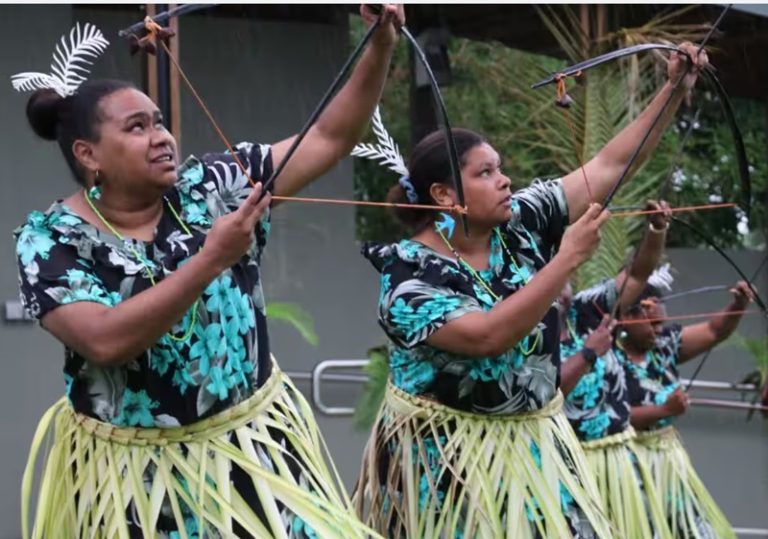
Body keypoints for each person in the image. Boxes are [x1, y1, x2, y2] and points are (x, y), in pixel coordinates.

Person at [14, 6, 403, 538]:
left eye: (159, 123)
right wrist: (211, 259)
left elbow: (331, 137)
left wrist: (379, 42)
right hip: (141, 488)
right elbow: (103, 341)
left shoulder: (211, 186)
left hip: (259, 460)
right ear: (89, 155)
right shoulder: (51, 239)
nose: (162, 137)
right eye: (137, 127)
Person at [353, 43, 708, 538]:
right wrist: (566, 260)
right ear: (444, 195)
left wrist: (672, 90)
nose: (505, 180)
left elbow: (608, 166)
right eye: (486, 173)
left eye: (499, 169)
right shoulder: (408, 280)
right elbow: (485, 337)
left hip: (538, 452)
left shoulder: (519, 220)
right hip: (446, 472)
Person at [558, 202, 674, 539]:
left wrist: (655, 231)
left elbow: (636, 274)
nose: (562, 283)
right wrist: (588, 354)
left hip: (620, 463)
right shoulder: (524, 329)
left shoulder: (587, 309)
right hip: (572, 472)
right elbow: (545, 395)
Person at [619, 280, 755, 538]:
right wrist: (664, 410)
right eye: (652, 324)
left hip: (668, 462)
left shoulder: (663, 345)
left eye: (661, 323)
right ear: (627, 316)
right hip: (627, 466)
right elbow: (607, 417)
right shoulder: (606, 354)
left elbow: (715, 331)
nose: (659, 330)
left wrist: (737, 304)